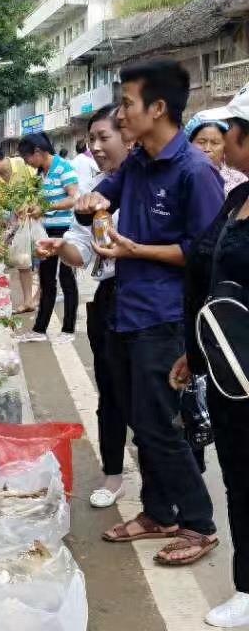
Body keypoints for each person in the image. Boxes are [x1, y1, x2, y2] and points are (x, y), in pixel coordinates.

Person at [76, 57, 224, 566]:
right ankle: (158, 512)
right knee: (142, 418)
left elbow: (203, 254)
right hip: (128, 312)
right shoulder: (136, 162)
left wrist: (137, 250)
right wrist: (88, 201)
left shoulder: (195, 172)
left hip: (167, 317)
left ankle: (200, 523)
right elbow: (99, 199)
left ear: (158, 108)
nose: (120, 116)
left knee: (161, 425)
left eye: (127, 104)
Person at [176, 85, 249, 622]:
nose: (223, 142)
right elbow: (203, 274)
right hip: (228, 372)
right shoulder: (236, 198)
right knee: (239, 476)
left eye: (230, 133)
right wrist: (194, 353)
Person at [40, 104, 130, 507]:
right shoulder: (94, 189)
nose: (95, 146)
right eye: (91, 139)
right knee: (109, 390)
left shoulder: (149, 186)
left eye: (103, 137)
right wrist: (62, 247)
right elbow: (82, 249)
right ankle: (113, 474)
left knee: (151, 392)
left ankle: (168, 475)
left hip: (147, 300)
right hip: (108, 299)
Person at [19, 132, 80, 341]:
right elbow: (38, 200)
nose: (28, 163)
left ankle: (69, 329)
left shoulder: (63, 168)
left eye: (28, 158)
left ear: (38, 152)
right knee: (46, 279)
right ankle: (39, 329)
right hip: (46, 232)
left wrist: (46, 206)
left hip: (65, 231)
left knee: (66, 279)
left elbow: (74, 199)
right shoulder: (39, 174)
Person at [0, 145, 39, 313]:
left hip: (37, 219)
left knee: (45, 262)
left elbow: (41, 184)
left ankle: (40, 296)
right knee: (23, 262)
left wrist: (34, 206)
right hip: (17, 224)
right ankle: (28, 301)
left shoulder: (23, 165)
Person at [184, 111, 248, 194]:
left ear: (225, 147)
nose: (207, 148)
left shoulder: (239, 181)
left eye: (215, 143)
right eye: (201, 142)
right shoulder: (180, 174)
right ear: (190, 144)